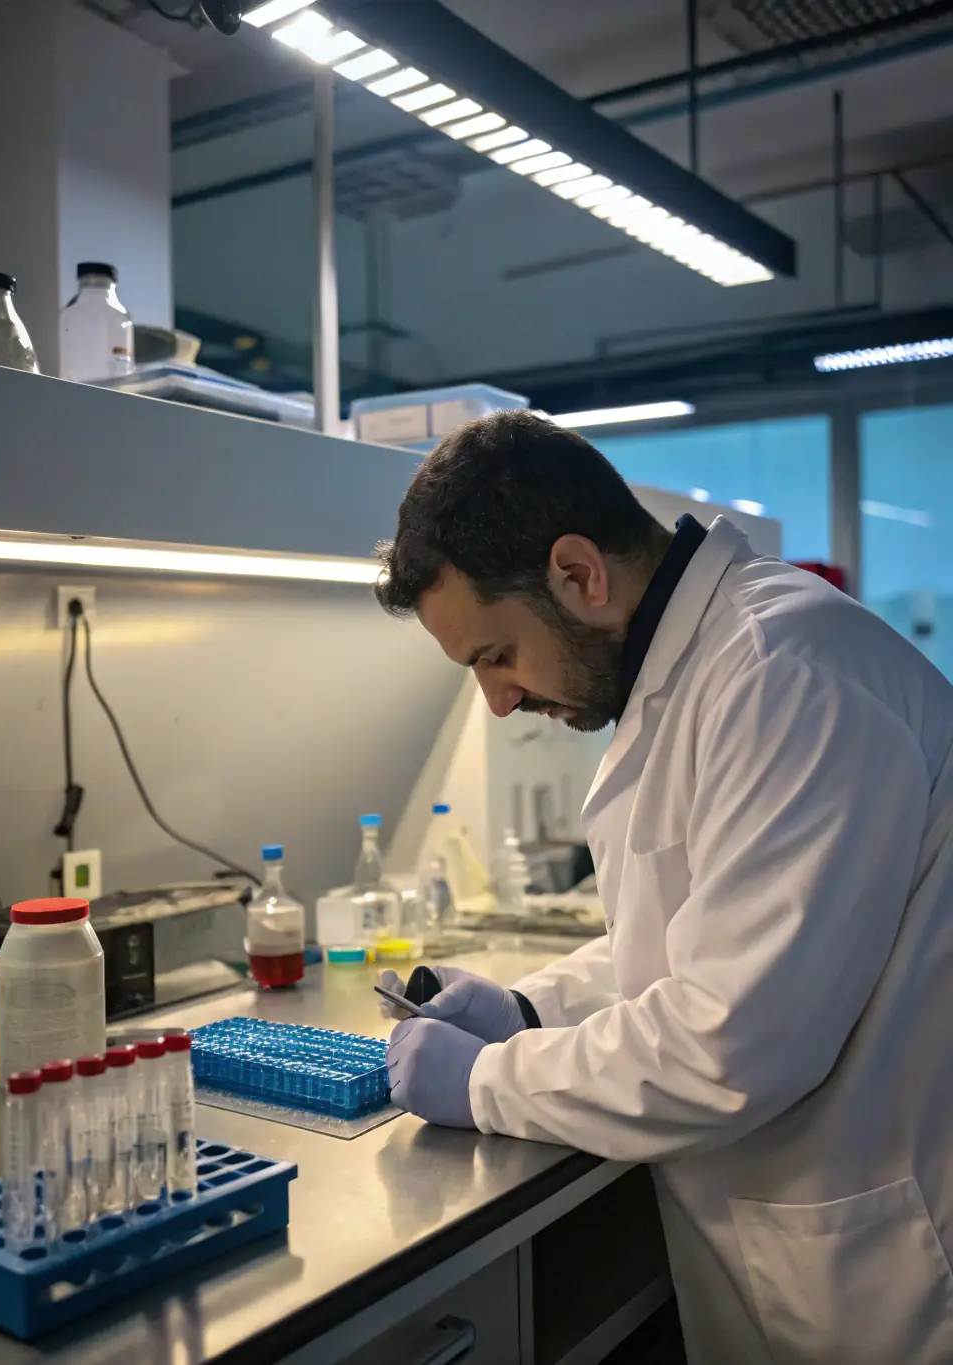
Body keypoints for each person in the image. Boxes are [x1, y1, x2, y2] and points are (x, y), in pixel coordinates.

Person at [373, 409, 953, 1365]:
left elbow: (731, 1042)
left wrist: (486, 1079)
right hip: (798, 1239)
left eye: (495, 654)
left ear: (578, 574)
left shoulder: (784, 675)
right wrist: (532, 1006)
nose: (499, 699)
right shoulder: (703, 670)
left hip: (886, 1263)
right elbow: (702, 928)